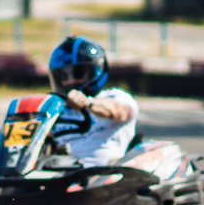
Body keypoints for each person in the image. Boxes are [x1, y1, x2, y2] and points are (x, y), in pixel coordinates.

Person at [46, 34, 139, 165]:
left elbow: (122, 112)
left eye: (77, 73)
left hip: (106, 174)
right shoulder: (54, 109)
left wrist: (88, 103)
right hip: (63, 175)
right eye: (63, 75)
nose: (70, 80)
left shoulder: (115, 96)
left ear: (95, 71)